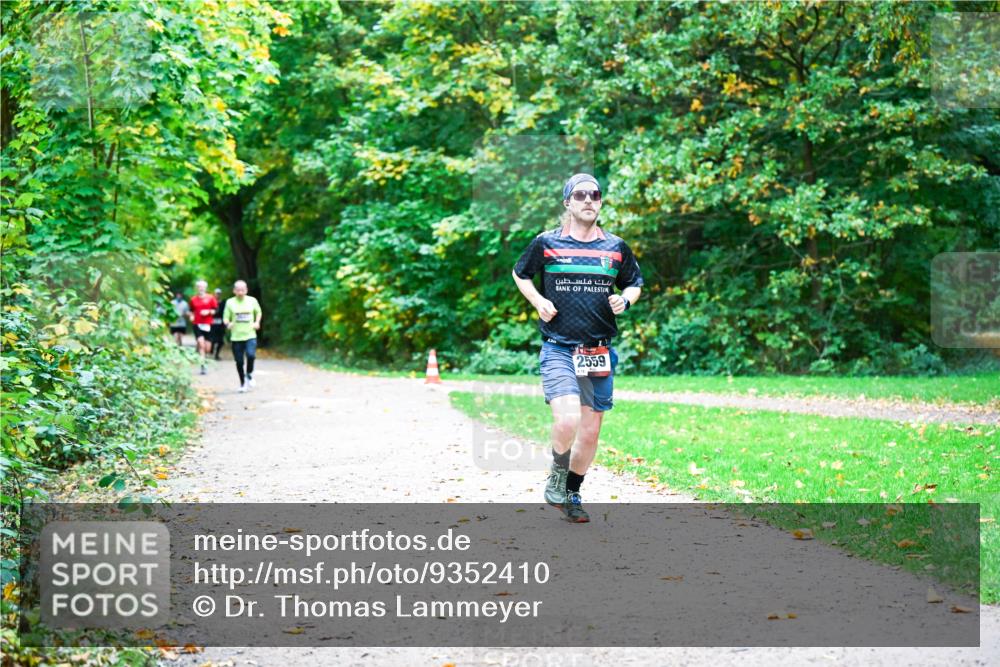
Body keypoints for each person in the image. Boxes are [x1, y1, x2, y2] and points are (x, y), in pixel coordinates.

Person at [511, 173, 643, 523]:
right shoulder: (546, 243)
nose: (589, 200)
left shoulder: (615, 247)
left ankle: (572, 492)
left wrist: (625, 300)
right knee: (567, 418)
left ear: (600, 202)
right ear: (568, 202)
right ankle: (557, 472)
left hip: (597, 351)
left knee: (590, 431)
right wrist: (538, 300)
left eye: (595, 195)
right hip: (559, 348)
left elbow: (634, 283)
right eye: (580, 195)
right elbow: (520, 273)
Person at [223, 280, 262, 393]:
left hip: (250, 335)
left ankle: (249, 373)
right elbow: (225, 317)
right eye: (238, 290)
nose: (240, 292)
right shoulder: (230, 302)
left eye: (243, 290)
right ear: (234, 291)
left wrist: (257, 322)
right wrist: (227, 323)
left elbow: (258, 312)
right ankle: (242, 383)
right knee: (239, 362)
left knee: (251, 355)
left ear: (246, 290)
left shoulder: (252, 300)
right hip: (236, 337)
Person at [190, 280, 218, 375]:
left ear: (206, 288)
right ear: (197, 288)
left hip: (209, 324)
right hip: (197, 324)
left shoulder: (211, 298)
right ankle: (203, 366)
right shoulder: (193, 299)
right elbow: (191, 311)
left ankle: (204, 357)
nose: (201, 288)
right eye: (199, 287)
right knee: (201, 345)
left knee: (207, 349)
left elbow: (215, 311)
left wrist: (208, 312)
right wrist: (191, 316)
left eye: (203, 287)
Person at [210, 288, 226, 360]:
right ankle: (211, 351)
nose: (218, 295)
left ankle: (217, 354)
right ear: (214, 294)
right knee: (212, 339)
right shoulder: (211, 302)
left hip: (221, 324)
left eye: (219, 293)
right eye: (216, 293)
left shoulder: (223, 302)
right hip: (212, 324)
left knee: (220, 341)